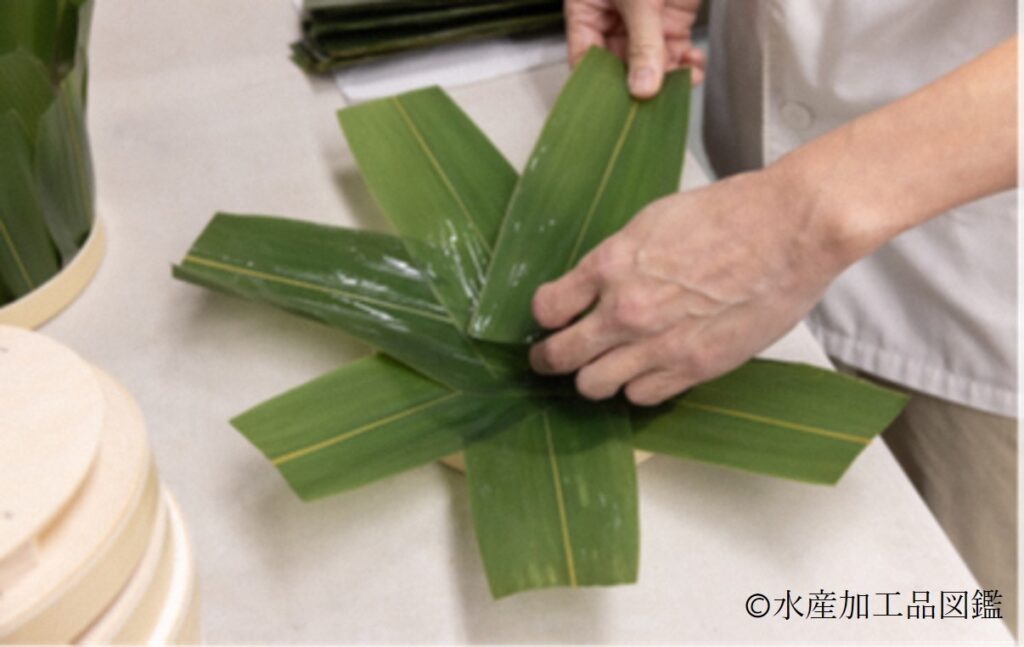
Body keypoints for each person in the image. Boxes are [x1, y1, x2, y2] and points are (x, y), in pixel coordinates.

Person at [534, 0, 1018, 633]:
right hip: (740, 208)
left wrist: (794, 223)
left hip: (977, 295)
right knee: (751, 605)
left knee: (956, 614)